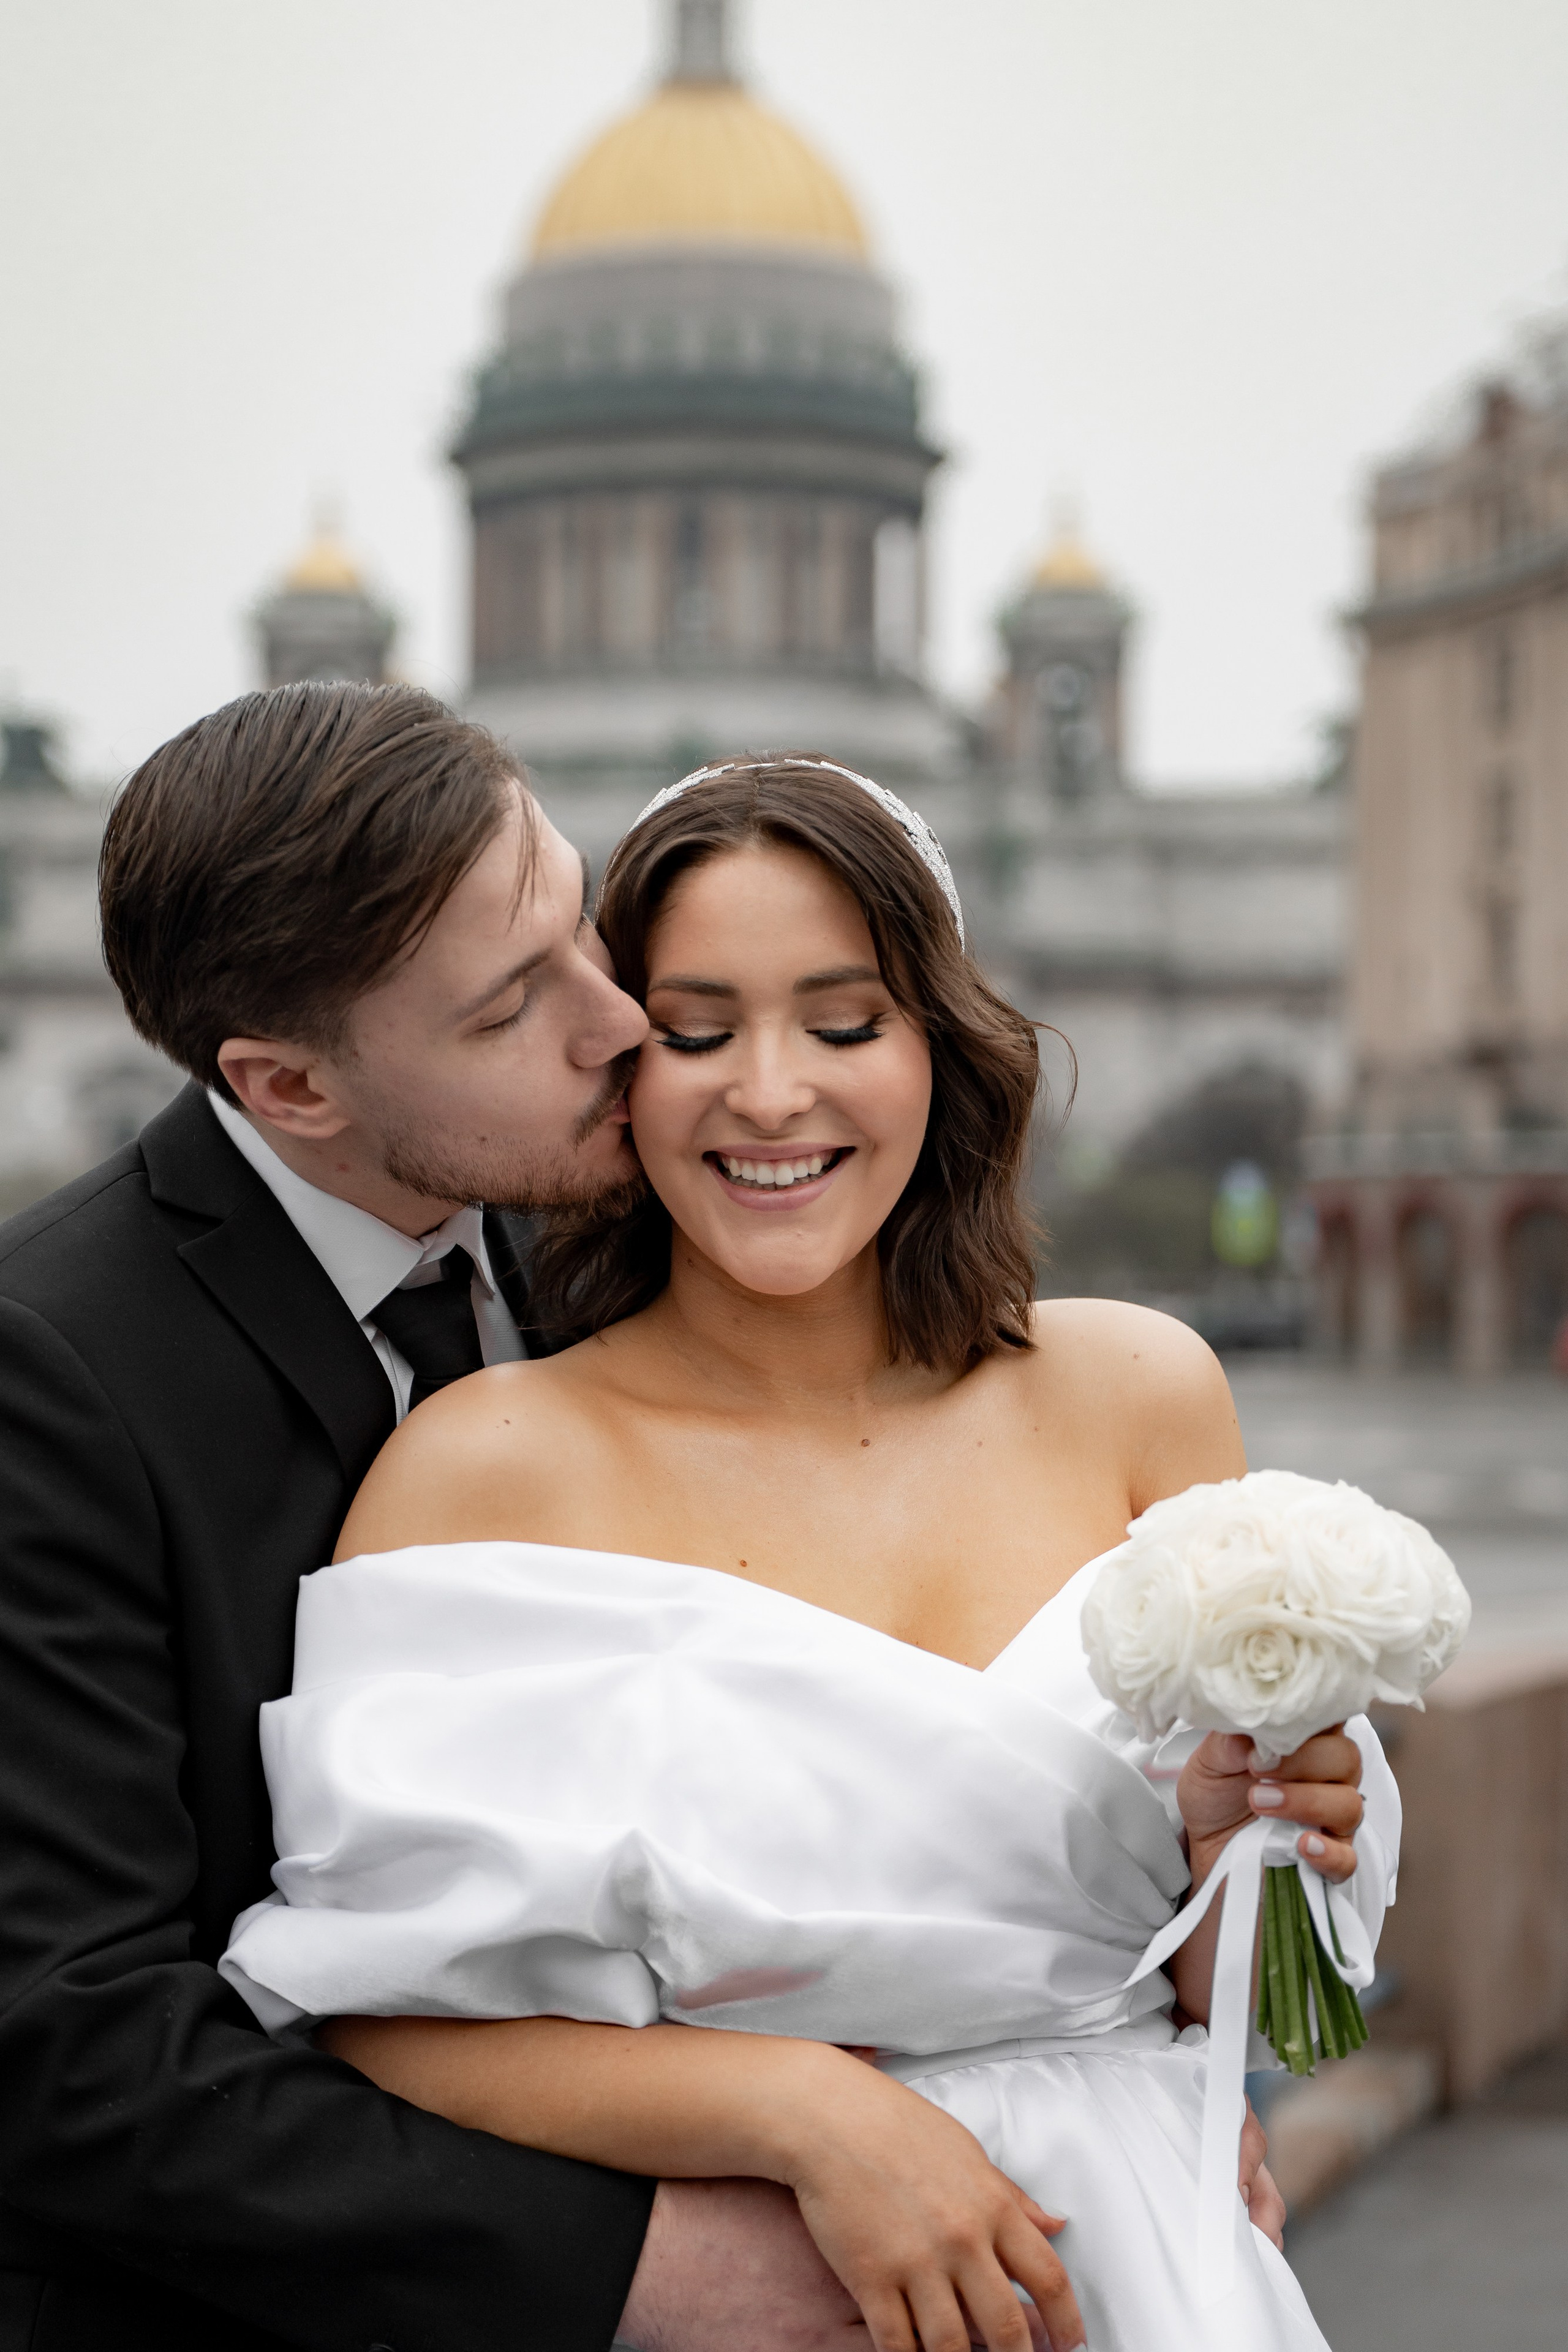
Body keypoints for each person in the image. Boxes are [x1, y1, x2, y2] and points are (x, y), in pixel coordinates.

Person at [222, 758, 1400, 2352]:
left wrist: (1237, 1852)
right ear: (618, 1066)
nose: (772, 1094)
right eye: (697, 1030)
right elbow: (373, 2013)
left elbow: (1236, 2023)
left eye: (844, 1023)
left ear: (940, 1048)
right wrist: (804, 2113)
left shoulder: (1143, 1392)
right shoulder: (484, 1465)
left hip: (1145, 2272)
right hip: (748, 2285)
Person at [0, 688, 897, 2352]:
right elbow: (72, 2051)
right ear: (289, 1086)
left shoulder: (624, 1232)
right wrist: (651, 2265)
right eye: (509, 1010)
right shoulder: (49, 1377)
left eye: (576, 920)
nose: (618, 1022)